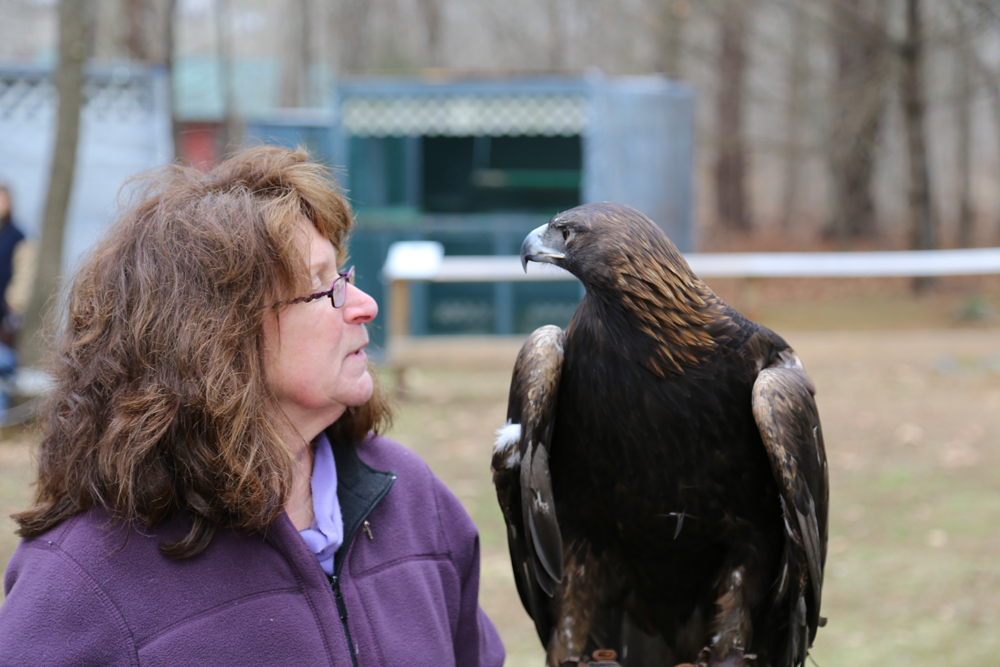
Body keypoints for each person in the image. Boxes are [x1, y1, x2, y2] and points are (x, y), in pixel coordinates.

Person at [0, 146, 505, 666]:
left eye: (344, 275)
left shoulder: (412, 496)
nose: (363, 304)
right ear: (215, 336)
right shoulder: (80, 582)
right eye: (322, 285)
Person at [0, 185, 25, 412]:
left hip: (5, 310)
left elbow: (24, 273)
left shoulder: (18, 235)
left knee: (3, 362)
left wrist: (14, 304)